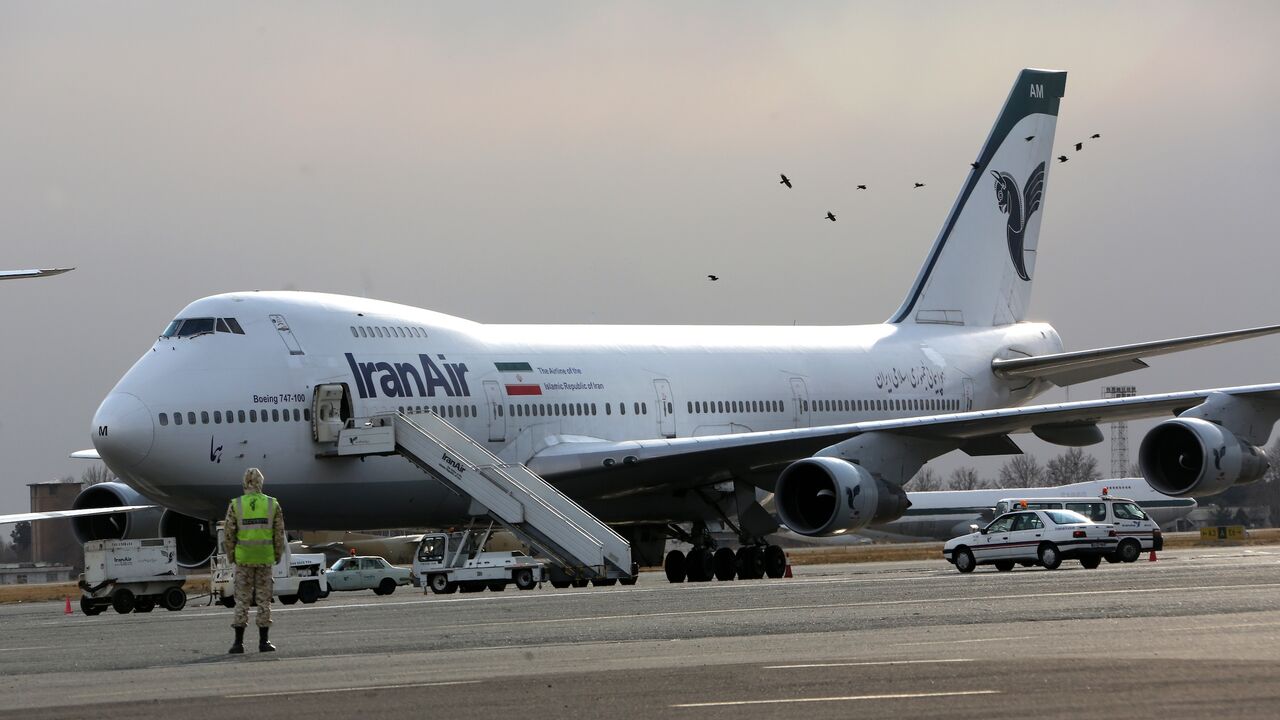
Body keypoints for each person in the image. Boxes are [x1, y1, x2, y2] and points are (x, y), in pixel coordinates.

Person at [223, 467, 286, 653]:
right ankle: (263, 642)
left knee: (241, 600)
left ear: (244, 483)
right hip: (265, 559)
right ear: (260, 483)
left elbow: (228, 534)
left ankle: (238, 643)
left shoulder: (236, 505)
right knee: (263, 601)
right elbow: (279, 534)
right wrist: (276, 555)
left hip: (244, 560)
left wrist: (232, 555)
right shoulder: (272, 504)